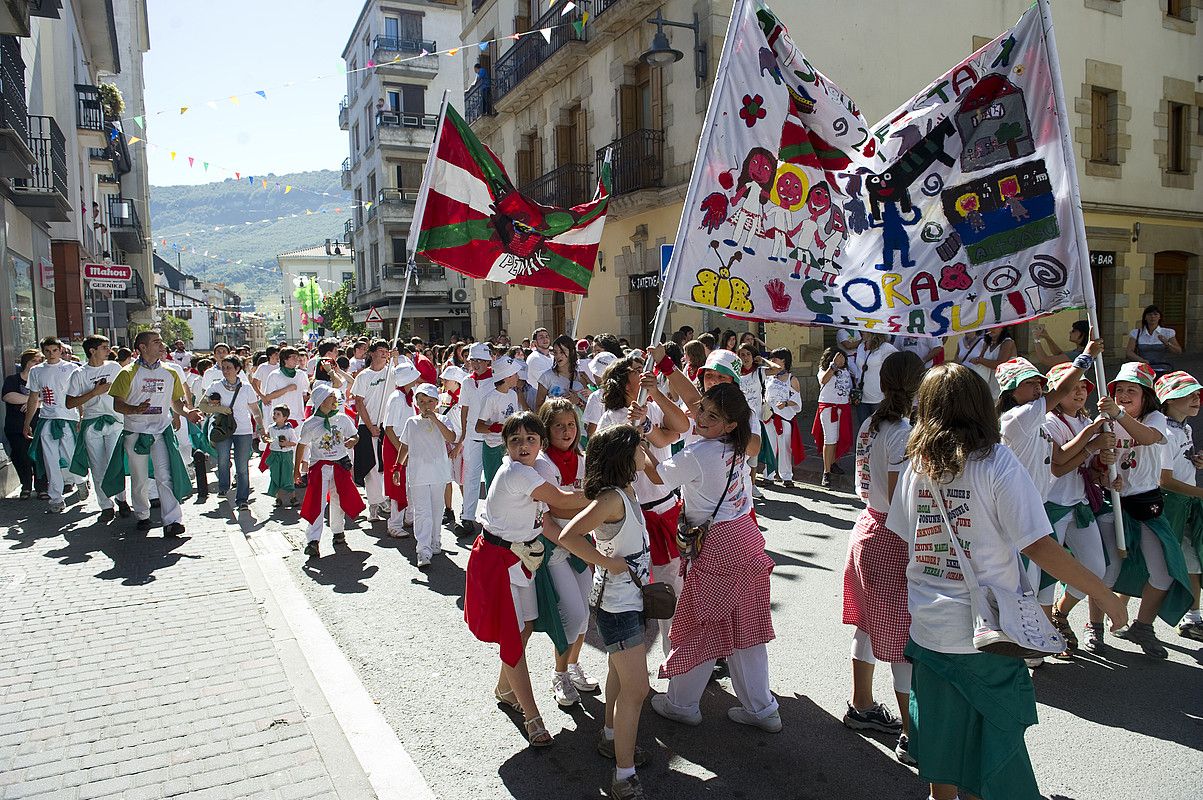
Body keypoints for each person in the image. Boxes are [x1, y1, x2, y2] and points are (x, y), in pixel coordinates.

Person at [885, 362, 1127, 800]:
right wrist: (1104, 593)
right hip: (988, 636)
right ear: (981, 405)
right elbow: (1039, 546)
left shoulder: (915, 466)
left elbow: (903, 532)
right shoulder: (998, 462)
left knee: (942, 741)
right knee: (991, 748)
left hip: (928, 628)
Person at [647, 383, 780, 733]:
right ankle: (762, 707)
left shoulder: (699, 454)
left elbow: (657, 476)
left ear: (731, 423)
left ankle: (682, 703)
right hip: (747, 539)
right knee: (745, 626)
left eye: (712, 415)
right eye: (702, 409)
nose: (702, 418)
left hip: (718, 547)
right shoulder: (737, 445)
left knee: (699, 626)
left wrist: (641, 441)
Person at [462, 413, 582, 748]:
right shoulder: (517, 472)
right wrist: (608, 491)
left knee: (526, 625)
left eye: (531, 438)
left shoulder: (533, 470)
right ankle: (533, 717)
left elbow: (549, 515)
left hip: (519, 559)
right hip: (497, 563)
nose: (524, 445)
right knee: (514, 635)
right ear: (507, 446)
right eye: (516, 440)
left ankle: (504, 688)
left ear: (540, 443)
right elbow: (564, 501)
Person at [558, 424, 654, 800]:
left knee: (618, 671)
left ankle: (611, 738)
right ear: (623, 456)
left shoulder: (625, 491)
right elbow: (568, 536)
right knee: (638, 688)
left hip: (626, 600)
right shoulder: (612, 499)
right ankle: (623, 776)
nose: (644, 451)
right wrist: (606, 563)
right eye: (638, 447)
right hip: (618, 605)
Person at [994, 346, 1101, 667]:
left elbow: (1056, 464)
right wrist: (1087, 356)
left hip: (1039, 508)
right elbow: (1065, 388)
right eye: (1030, 383)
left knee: (1039, 582)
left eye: (1039, 382)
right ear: (1011, 391)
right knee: (1026, 583)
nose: (1039, 388)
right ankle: (1022, 645)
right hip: (1021, 512)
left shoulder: (1035, 419)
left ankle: (1033, 640)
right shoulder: (1019, 416)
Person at [844, 350, 923, 766]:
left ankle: (862, 705)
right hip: (891, 538)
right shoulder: (904, 431)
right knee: (901, 642)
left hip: (867, 527)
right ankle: (912, 736)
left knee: (870, 627)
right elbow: (899, 500)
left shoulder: (873, 423)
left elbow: (867, 485)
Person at [596, 348, 693, 658]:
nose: (645, 372)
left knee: (671, 589)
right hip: (633, 516)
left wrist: (653, 403)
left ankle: (675, 658)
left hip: (665, 509)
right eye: (638, 371)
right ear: (625, 382)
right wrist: (630, 429)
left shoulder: (653, 406)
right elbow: (605, 463)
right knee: (631, 591)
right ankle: (629, 660)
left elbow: (680, 427)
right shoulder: (609, 419)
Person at [1102, 363, 1194, 658]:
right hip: (1111, 504)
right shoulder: (1104, 419)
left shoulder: (1155, 418)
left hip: (1146, 505)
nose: (1125, 394)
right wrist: (1103, 473)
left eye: (1132, 390)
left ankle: (1143, 626)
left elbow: (1147, 437)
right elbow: (1092, 464)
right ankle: (1089, 624)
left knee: (1163, 573)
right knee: (1105, 570)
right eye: (1120, 390)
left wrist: (1117, 415)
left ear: (1146, 396)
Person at [1042, 362, 1120, 654]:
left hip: (1080, 504)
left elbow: (1087, 467)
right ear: (1056, 392)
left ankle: (1060, 613)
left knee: (1095, 570)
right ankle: (1045, 631)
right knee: (1046, 574)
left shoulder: (1086, 419)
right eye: (1071, 387)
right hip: (1052, 506)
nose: (1079, 392)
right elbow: (1059, 466)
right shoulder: (1048, 422)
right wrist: (1092, 442)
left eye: (1083, 387)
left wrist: (1105, 467)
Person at [104, 331, 203, 535]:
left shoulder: (170, 372)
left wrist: (187, 414)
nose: (162, 345)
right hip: (136, 432)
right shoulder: (127, 373)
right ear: (142, 347)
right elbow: (118, 404)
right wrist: (135, 410)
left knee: (165, 475)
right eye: (156, 342)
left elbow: (176, 403)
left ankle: (172, 521)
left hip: (161, 431)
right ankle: (142, 514)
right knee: (139, 478)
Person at [533, 398, 595, 706]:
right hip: (556, 547)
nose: (567, 431)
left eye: (571, 424)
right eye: (559, 425)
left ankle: (572, 665)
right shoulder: (542, 464)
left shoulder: (582, 458)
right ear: (547, 430)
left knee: (584, 615)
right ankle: (559, 674)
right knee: (574, 614)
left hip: (580, 543)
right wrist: (588, 500)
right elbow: (551, 511)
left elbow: (585, 503)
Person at [1154, 371, 1203, 641]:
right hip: (1169, 506)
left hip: (1186, 504)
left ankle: (1193, 617)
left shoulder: (1185, 427)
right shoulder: (1165, 431)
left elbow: (1178, 464)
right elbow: (1165, 480)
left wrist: (1195, 461)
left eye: (1197, 394)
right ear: (1169, 399)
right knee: (1150, 563)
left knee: (1193, 558)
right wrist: (1200, 493)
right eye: (1188, 394)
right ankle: (1118, 619)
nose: (1196, 398)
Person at [295, 384, 364, 559]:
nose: (335, 400)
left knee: (338, 499)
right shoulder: (310, 424)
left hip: (339, 465)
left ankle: (338, 531)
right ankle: (313, 540)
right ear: (321, 401)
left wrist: (353, 441)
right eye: (331, 397)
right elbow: (301, 446)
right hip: (320, 466)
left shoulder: (342, 419)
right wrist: (296, 470)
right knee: (317, 503)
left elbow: (355, 435)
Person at [66, 335, 130, 518]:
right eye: (104, 347)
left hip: (115, 421)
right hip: (92, 423)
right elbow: (70, 403)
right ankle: (105, 506)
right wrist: (94, 392)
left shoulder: (114, 367)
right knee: (98, 466)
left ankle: (122, 499)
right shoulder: (79, 374)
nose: (108, 350)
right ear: (92, 351)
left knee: (114, 462)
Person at [394, 383, 455, 568]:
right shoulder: (411, 422)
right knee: (422, 513)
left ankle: (435, 541)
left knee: (437, 510)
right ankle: (423, 550)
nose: (426, 405)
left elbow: (451, 438)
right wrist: (397, 467)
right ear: (417, 403)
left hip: (438, 473)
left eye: (430, 401)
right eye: (422, 401)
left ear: (436, 402)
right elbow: (404, 445)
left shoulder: (444, 419)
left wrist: (435, 419)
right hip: (418, 474)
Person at [24, 337, 82, 513]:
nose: (51, 354)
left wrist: (82, 415)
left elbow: (78, 394)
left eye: (54, 350)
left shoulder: (72, 368)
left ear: (60, 350)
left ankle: (80, 480)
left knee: (70, 454)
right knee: (50, 459)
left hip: (68, 418)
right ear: (43, 351)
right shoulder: (36, 371)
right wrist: (27, 423)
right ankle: (56, 498)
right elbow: (33, 398)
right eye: (47, 351)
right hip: (47, 419)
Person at [201, 355, 261, 510]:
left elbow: (255, 410)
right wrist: (221, 409)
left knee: (242, 466)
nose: (226, 371)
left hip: (243, 430)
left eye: (229, 367)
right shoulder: (215, 386)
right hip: (222, 429)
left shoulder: (246, 387)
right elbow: (202, 406)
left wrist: (260, 426)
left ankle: (242, 499)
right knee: (223, 459)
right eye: (223, 367)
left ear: (238, 369)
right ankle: (223, 486)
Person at [456, 342, 495, 537]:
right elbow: (464, 408)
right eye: (473, 360)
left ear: (488, 361)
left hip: (492, 437)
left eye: (480, 360)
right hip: (472, 436)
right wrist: (463, 434)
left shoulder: (496, 381)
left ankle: (493, 517)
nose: (476, 364)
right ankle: (467, 517)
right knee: (470, 477)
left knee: (492, 478)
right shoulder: (466, 382)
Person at [380, 359, 422, 537]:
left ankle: (409, 517)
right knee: (398, 485)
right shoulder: (396, 398)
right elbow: (388, 428)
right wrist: (401, 451)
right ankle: (394, 524)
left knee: (410, 483)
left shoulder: (409, 395)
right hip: (395, 445)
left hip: (405, 445)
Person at [351, 341, 393, 520]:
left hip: (387, 425)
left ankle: (385, 498)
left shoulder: (392, 373)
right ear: (372, 353)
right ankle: (374, 503)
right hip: (368, 426)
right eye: (380, 351)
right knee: (372, 466)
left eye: (386, 351)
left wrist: (398, 360)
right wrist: (370, 427)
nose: (384, 354)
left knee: (386, 465)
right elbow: (359, 402)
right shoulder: (364, 376)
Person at [3, 349, 47, 499]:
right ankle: (26, 486)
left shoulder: (44, 380)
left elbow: (48, 398)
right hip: (15, 425)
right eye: (34, 361)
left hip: (38, 423)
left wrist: (36, 401)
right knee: (21, 456)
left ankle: (42, 487)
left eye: (40, 361)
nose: (37, 364)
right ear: (25, 363)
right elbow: (8, 396)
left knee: (39, 456)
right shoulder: (13, 380)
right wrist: (31, 400)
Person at [476, 356, 524, 491]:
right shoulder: (490, 398)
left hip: (509, 444)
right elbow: (478, 427)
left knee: (509, 484)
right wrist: (493, 428)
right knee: (493, 484)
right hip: (493, 446)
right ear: (507, 376)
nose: (518, 377)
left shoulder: (513, 394)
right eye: (515, 374)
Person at [763, 348, 803, 487]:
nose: (772, 361)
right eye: (771, 358)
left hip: (784, 418)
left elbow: (797, 401)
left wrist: (786, 403)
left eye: (775, 358)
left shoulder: (792, 379)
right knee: (770, 447)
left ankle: (786, 477)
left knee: (785, 448)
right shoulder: (768, 378)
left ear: (784, 360)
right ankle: (768, 475)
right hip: (769, 418)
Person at [814, 346, 853, 488]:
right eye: (839, 358)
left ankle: (834, 462)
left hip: (843, 407)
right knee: (829, 439)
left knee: (838, 437)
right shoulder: (824, 370)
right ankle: (826, 472)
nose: (842, 361)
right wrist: (834, 366)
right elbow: (823, 380)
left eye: (843, 359)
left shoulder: (846, 371)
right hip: (829, 407)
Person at [852, 332, 898, 431]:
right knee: (864, 430)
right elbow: (859, 368)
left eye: (864, 330)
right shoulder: (861, 346)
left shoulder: (886, 347)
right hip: (862, 397)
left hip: (879, 397)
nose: (861, 332)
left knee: (878, 429)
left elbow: (897, 364)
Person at [534, 334, 588, 412]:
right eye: (555, 352)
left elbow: (589, 410)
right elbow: (538, 408)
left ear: (572, 352)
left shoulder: (581, 377)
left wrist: (578, 401)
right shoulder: (546, 377)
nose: (558, 356)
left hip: (578, 423)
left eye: (562, 352)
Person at [1126, 304, 1181, 376]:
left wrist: (1167, 343)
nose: (1152, 317)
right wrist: (1141, 360)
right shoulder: (1136, 333)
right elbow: (1129, 352)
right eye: (1149, 314)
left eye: (1155, 314)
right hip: (1143, 370)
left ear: (1159, 317)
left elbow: (1178, 351)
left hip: (1163, 369)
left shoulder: (1168, 332)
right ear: (1145, 317)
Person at [964, 326, 1016, 399]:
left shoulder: (1008, 342)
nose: (991, 329)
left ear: (1002, 328)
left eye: (995, 327)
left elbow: (1000, 364)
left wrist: (979, 360)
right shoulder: (987, 343)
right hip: (988, 385)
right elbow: (980, 359)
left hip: (1003, 385)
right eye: (989, 327)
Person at [262, 405, 298, 508]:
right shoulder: (271, 428)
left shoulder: (289, 430)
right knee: (275, 476)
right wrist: (265, 438)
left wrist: (286, 443)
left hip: (286, 455)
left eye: (278, 414)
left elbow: (294, 442)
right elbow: (269, 438)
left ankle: (293, 497)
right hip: (275, 454)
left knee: (287, 476)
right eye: (274, 413)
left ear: (285, 417)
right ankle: (278, 498)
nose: (275, 416)